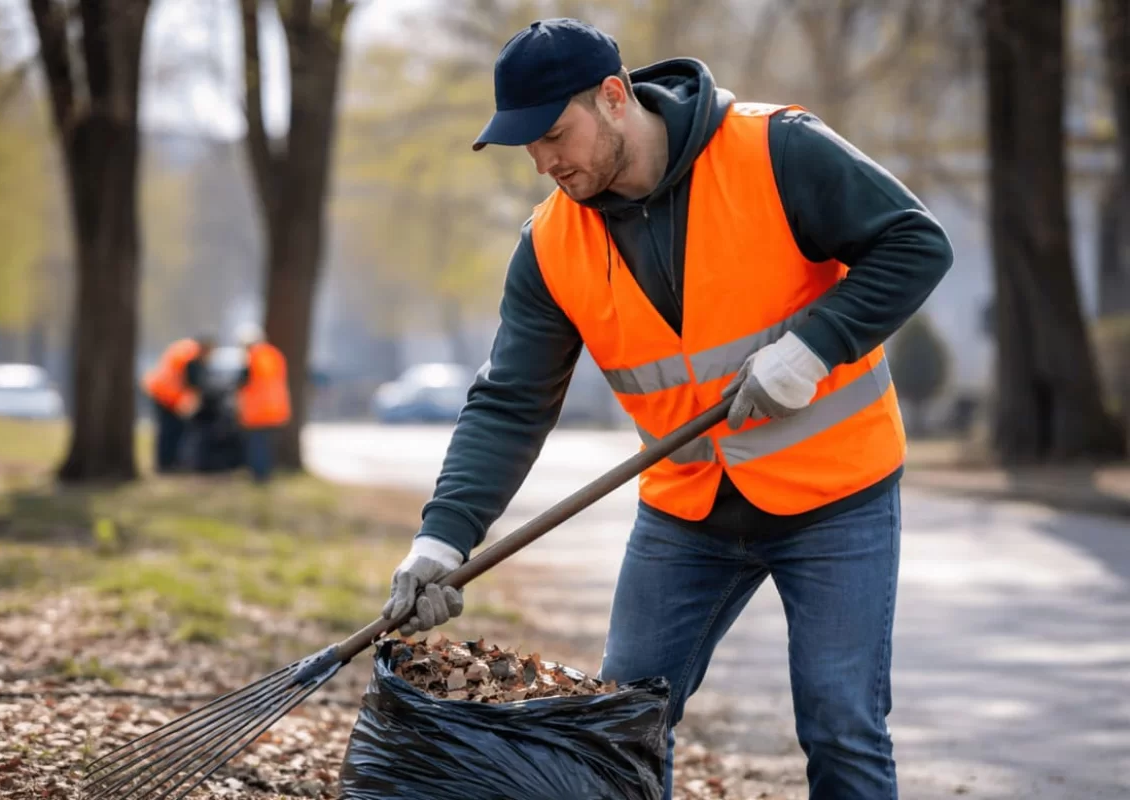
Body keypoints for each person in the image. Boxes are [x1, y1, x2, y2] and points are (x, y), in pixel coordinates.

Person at [379, 17, 954, 800]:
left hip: (835, 498)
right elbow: (511, 401)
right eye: (529, 149)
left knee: (840, 725)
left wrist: (816, 344)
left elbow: (916, 243)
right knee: (619, 725)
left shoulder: (774, 150)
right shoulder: (551, 246)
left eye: (554, 134)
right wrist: (442, 538)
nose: (546, 163)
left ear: (614, 97)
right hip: (688, 513)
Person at [141, 335, 213, 473]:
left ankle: (167, 463)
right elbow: (193, 381)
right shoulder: (191, 354)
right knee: (170, 431)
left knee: (168, 431)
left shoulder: (185, 347)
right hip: (166, 395)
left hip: (163, 393)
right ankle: (166, 464)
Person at [234, 322, 291, 482]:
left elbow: (243, 381)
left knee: (257, 446)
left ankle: (259, 477)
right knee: (267, 445)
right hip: (276, 408)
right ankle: (267, 473)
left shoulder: (251, 357)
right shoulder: (274, 354)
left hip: (257, 410)